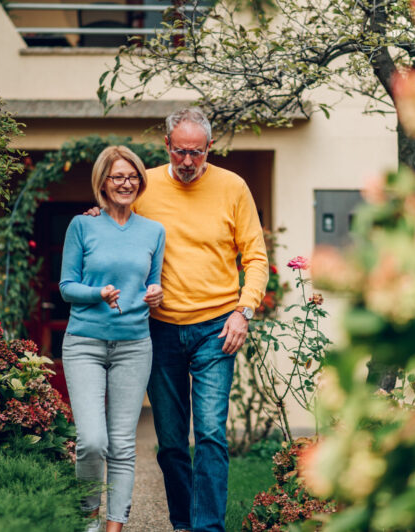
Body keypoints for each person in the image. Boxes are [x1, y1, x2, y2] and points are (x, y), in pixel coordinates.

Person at [87, 107, 269, 531]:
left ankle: (207, 528)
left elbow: (256, 257)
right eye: (181, 151)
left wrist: (244, 311)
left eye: (198, 152)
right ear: (167, 145)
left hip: (217, 328)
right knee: (170, 443)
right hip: (159, 329)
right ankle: (184, 523)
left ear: (210, 148)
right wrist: (97, 217)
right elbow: (114, 221)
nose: (188, 161)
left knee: (209, 434)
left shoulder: (233, 187)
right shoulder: (145, 187)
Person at [60, 145, 166, 532]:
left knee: (122, 444)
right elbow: (66, 287)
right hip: (84, 342)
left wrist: (157, 293)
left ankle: (113, 526)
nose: (126, 183)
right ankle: (87, 519)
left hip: (135, 344)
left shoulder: (154, 231)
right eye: (117, 176)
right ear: (102, 183)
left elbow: (154, 284)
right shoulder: (82, 225)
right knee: (91, 440)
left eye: (133, 175)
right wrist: (98, 293)